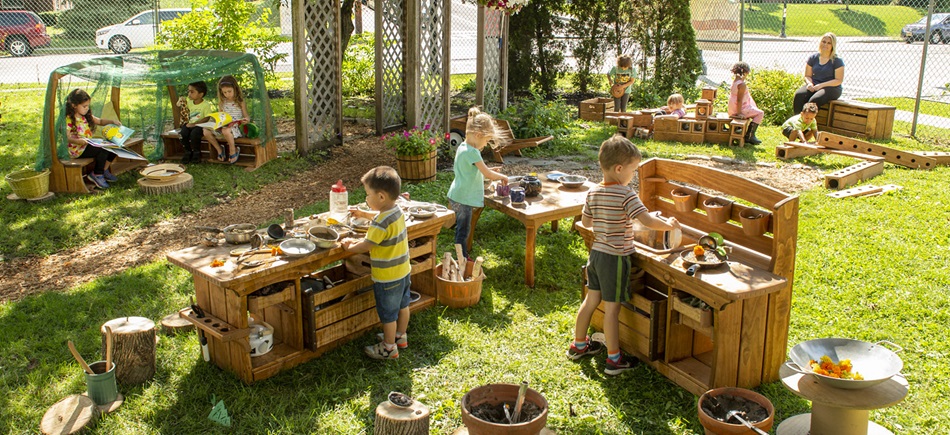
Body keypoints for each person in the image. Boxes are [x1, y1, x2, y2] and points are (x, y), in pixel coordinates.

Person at [569, 135, 680, 375]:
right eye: (634, 170)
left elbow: (587, 222)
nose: (634, 176)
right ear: (619, 169)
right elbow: (648, 221)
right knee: (612, 309)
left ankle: (578, 346)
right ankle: (614, 360)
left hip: (596, 254)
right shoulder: (626, 194)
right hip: (615, 258)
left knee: (590, 301)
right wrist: (669, 225)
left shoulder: (593, 192)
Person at [341, 166, 412, 360]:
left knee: (388, 315)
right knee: (403, 305)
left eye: (367, 195)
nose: (366, 199)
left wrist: (349, 246)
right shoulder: (396, 211)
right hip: (403, 271)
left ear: (381, 197)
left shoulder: (380, 223)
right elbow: (382, 216)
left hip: (387, 277)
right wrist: (364, 214)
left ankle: (389, 348)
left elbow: (367, 245)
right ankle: (400, 336)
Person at [447, 107, 508, 260]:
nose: (485, 145)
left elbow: (474, 169)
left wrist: (489, 169)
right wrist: (501, 176)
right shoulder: (473, 152)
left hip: (456, 194)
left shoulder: (463, 147)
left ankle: (461, 253)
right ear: (478, 135)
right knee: (463, 231)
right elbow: (486, 173)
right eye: (486, 141)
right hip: (463, 199)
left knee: (461, 228)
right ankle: (462, 257)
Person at [64, 89, 122, 189]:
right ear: (74, 105)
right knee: (103, 149)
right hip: (77, 150)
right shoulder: (69, 118)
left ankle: (104, 170)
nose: (87, 108)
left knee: (114, 146)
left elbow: (100, 121)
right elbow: (66, 137)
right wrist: (78, 141)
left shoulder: (85, 115)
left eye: (88, 106)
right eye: (84, 106)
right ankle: (97, 174)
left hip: (87, 145)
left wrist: (112, 121)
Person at [793, 32, 844, 114]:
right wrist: (809, 84)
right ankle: (797, 122)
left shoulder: (837, 61)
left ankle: (809, 123)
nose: (825, 45)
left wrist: (820, 86)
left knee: (814, 101)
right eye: (823, 42)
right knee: (799, 95)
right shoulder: (813, 58)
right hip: (815, 85)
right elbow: (807, 75)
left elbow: (838, 80)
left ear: (832, 45)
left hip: (832, 88)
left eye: (829, 43)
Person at [203, 75, 249, 164]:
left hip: (235, 127)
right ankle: (220, 150)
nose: (227, 94)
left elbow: (246, 116)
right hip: (224, 126)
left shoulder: (240, 101)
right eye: (224, 92)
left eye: (229, 91)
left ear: (235, 89)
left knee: (226, 130)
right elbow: (221, 116)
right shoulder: (222, 102)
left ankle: (233, 150)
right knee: (206, 131)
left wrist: (246, 120)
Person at [728, 62, 764, 145]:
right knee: (760, 113)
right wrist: (739, 113)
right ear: (745, 72)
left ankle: (746, 133)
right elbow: (739, 100)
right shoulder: (742, 84)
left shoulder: (735, 82)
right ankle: (750, 135)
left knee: (755, 109)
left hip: (733, 108)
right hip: (740, 109)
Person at [179, 81, 215, 164]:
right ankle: (188, 152)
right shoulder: (188, 102)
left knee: (194, 134)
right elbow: (184, 111)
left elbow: (207, 117)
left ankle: (197, 153)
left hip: (200, 125)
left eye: (192, 92)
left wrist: (194, 124)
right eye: (188, 91)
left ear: (201, 94)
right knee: (183, 133)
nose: (189, 94)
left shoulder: (205, 105)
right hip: (189, 123)